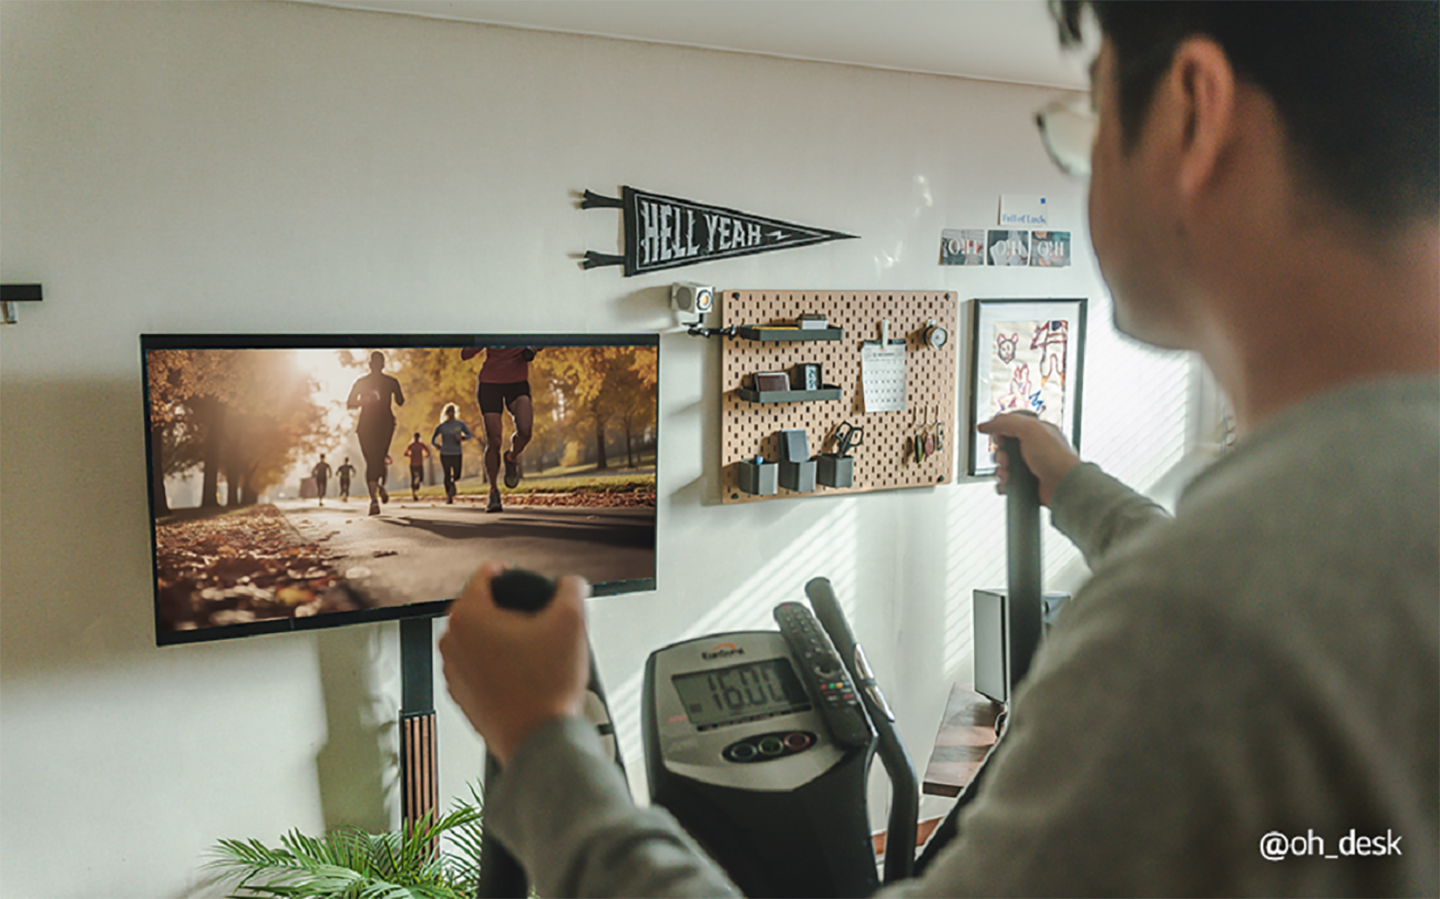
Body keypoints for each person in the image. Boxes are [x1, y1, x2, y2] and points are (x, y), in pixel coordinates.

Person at [440, 1, 1440, 897]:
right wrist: (1081, 489)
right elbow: (1281, 597)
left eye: (1084, 126)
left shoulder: (1202, 621)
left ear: (1192, 111)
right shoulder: (1328, 558)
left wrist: (541, 743)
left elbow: (1232, 606)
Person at [460, 346, 537, 513]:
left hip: (517, 383)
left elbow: (541, 340)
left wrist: (532, 349)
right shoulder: (489, 326)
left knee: (525, 431)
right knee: (494, 440)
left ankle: (511, 458)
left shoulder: (522, 323)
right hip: (490, 384)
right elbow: (464, 354)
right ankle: (493, 491)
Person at [346, 351, 404, 516]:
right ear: (383, 364)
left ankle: (373, 500)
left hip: (368, 426)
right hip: (383, 424)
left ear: (370, 364)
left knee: (373, 459)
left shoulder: (362, 382)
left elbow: (350, 403)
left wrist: (362, 401)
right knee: (377, 458)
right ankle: (377, 488)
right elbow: (401, 401)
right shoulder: (391, 381)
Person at [430, 403, 474, 505]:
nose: (451, 414)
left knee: (457, 474)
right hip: (445, 453)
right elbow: (432, 439)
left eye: (453, 411)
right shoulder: (441, 426)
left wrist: (462, 438)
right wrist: (436, 445)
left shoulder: (460, 424)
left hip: (457, 452)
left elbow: (469, 434)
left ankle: (453, 483)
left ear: (455, 412)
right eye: (449, 412)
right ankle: (449, 496)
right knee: (447, 474)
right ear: (446, 413)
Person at [403, 432, 431, 502]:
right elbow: (405, 453)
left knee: (420, 477)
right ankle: (414, 494)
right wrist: (410, 455)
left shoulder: (421, 445)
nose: (416, 439)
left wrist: (425, 455)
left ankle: (416, 485)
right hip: (413, 464)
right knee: (414, 478)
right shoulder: (411, 445)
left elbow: (428, 452)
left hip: (419, 463)